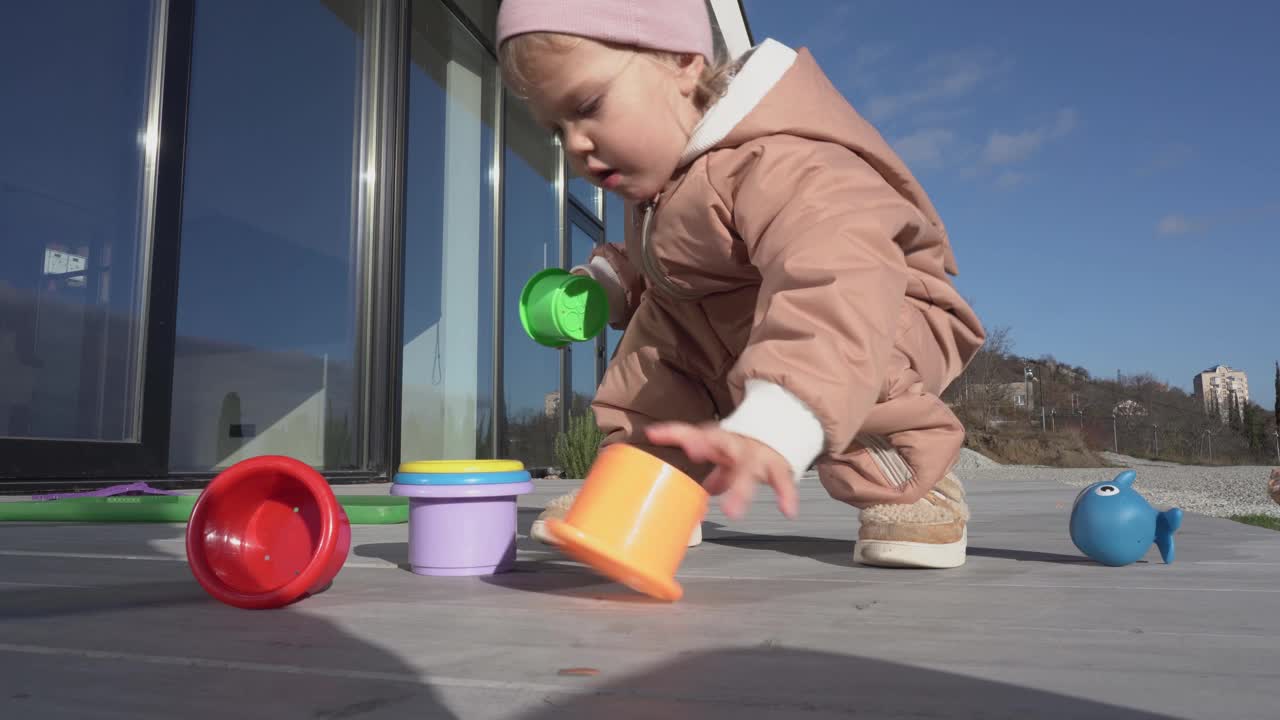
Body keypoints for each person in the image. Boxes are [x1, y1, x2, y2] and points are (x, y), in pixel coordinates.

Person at [496, 0, 986, 568]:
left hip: (874, 307)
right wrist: (608, 282)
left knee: (851, 362)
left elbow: (838, 266)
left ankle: (913, 481)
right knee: (655, 353)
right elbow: (661, 262)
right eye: (558, 128)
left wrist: (781, 416)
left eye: (588, 105)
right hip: (734, 335)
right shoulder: (660, 190)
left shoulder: (779, 159)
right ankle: (649, 488)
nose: (576, 143)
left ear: (680, 61)